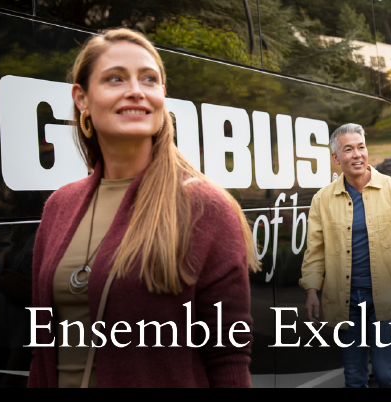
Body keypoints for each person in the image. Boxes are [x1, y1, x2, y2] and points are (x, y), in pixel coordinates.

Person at [28, 28, 259, 388]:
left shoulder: (205, 207)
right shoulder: (60, 205)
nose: (135, 90)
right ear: (82, 99)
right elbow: (43, 346)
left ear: (161, 97)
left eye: (149, 79)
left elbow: (227, 354)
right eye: (115, 78)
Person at [299, 123, 391, 388]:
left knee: (386, 374)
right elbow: (315, 250)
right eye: (348, 149)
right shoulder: (322, 200)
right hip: (344, 302)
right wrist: (312, 289)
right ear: (336, 158)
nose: (357, 154)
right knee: (354, 377)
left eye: (361, 147)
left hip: (387, 298)